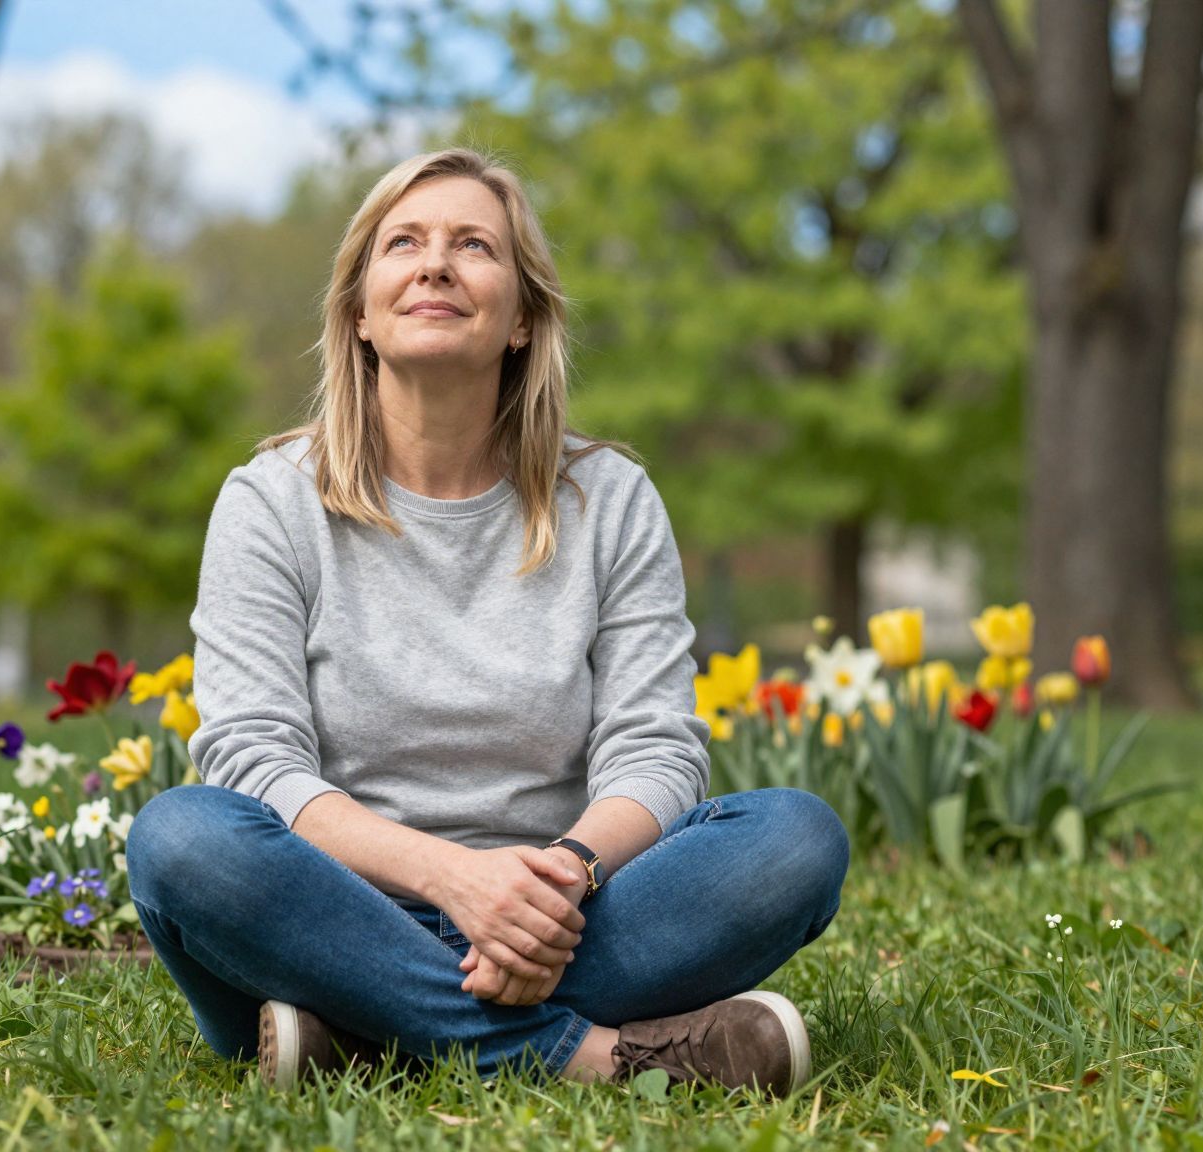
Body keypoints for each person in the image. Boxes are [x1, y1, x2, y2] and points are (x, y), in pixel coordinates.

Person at [126, 147, 848, 1093]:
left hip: (567, 916)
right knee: (182, 839)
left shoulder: (611, 500)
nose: (435, 264)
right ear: (359, 314)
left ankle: (360, 1033)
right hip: (325, 911)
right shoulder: (270, 502)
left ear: (520, 319)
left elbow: (657, 753)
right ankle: (595, 1059)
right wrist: (454, 881)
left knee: (797, 838)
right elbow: (256, 762)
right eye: (404, 243)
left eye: (474, 245)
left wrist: (558, 881)